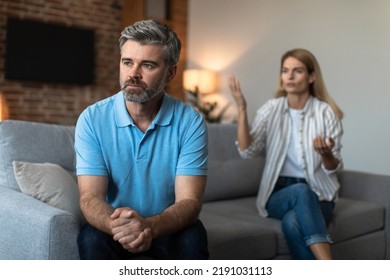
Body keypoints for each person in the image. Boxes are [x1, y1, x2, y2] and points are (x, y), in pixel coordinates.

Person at [75, 19, 209, 260]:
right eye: (127, 62)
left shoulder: (190, 122)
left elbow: (189, 202)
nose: (133, 74)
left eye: (147, 65)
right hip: (114, 226)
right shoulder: (92, 119)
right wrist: (121, 228)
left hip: (166, 225)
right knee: (90, 238)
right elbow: (89, 197)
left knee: (193, 235)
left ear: (170, 72)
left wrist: (150, 227)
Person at [228, 48, 344, 260]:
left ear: (311, 77)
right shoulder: (271, 109)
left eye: (297, 71)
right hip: (278, 193)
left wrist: (326, 154)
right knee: (300, 191)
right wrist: (242, 108)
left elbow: (334, 166)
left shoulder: (325, 112)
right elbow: (247, 151)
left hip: (320, 193)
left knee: (292, 223)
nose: (289, 76)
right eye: (285, 70)